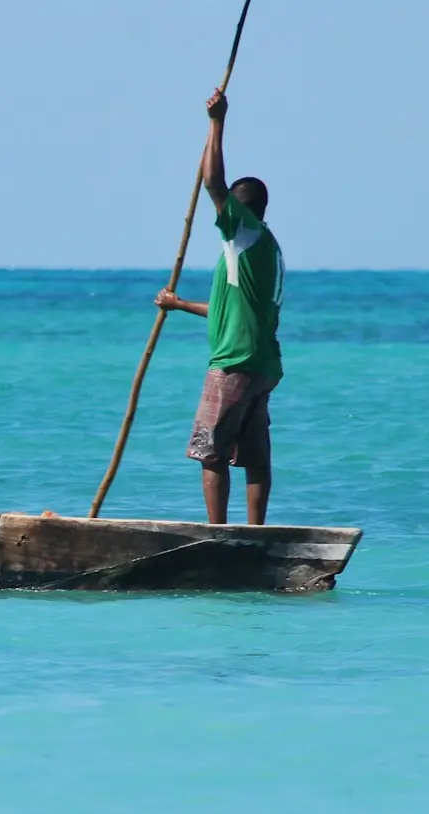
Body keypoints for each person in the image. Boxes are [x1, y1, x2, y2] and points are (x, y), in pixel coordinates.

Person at [155, 89, 285, 525]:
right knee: (252, 455)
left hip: (234, 363)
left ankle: (217, 533)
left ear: (240, 210)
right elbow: (227, 310)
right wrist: (178, 304)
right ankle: (256, 532)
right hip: (263, 364)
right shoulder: (263, 250)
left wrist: (216, 122)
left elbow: (212, 183)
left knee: (210, 451)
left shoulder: (243, 235)